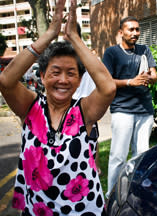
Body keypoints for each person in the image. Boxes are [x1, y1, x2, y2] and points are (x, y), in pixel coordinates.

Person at [0, 0, 116, 215]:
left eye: (71, 73)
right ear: (42, 76)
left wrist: (74, 38)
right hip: (38, 209)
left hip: (82, 209)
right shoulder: (31, 107)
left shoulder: (84, 111)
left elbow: (108, 87)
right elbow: (6, 80)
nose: (63, 80)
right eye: (55, 72)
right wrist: (50, 35)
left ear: (80, 80)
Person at [102, 16, 157, 198]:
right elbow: (106, 81)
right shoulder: (111, 53)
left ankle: (135, 192)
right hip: (123, 110)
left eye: (137, 30)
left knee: (141, 154)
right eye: (130, 29)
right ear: (121, 32)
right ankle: (111, 195)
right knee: (118, 156)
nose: (135, 33)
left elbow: (154, 75)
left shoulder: (144, 50)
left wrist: (148, 78)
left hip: (145, 110)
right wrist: (130, 82)